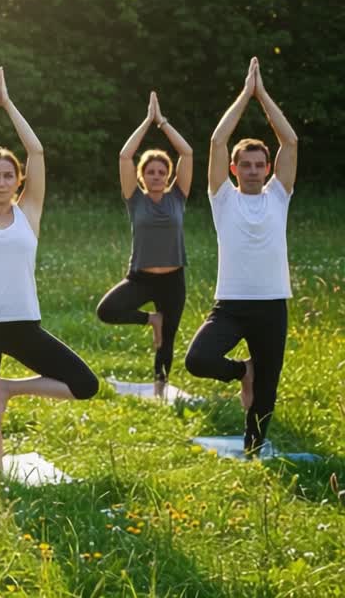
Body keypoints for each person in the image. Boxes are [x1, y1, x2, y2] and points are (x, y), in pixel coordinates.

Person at [0, 67, 99, 472]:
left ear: (18, 181)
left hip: (22, 324)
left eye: (8, 175)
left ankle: (11, 389)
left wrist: (9, 106)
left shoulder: (28, 212)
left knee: (84, 384)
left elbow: (36, 153)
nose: (0, 181)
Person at [185, 57, 297, 456]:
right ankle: (242, 371)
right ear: (233, 169)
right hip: (231, 305)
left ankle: (253, 451)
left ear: (268, 168)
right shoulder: (223, 198)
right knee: (198, 359)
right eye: (245, 165)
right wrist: (244, 95)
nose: (253, 170)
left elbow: (291, 142)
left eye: (259, 164)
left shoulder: (278, 196)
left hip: (271, 306)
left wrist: (262, 96)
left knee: (266, 395)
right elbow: (216, 142)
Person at [96, 92, 193, 397]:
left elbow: (187, 154)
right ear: (142, 176)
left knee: (168, 341)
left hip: (173, 279)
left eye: (161, 171)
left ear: (168, 175)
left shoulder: (178, 196)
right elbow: (125, 156)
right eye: (150, 172)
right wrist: (145, 122)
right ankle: (153, 320)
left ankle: (160, 390)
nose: (156, 176)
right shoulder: (134, 200)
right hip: (141, 277)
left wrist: (162, 123)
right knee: (107, 310)